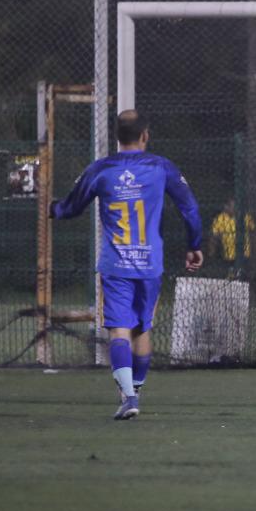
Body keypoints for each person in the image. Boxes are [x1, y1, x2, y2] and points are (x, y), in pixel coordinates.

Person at [50, 110, 204, 420]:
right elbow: (189, 208)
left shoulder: (101, 170)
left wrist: (48, 208)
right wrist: (194, 245)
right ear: (145, 135)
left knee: (119, 329)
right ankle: (133, 392)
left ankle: (128, 396)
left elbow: (70, 208)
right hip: (149, 264)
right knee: (141, 328)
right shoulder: (161, 168)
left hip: (116, 265)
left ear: (117, 137)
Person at [209, 197, 256, 277]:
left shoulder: (245, 216)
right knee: (231, 276)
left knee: (244, 276)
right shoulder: (220, 219)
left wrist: (254, 249)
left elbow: (253, 232)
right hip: (229, 256)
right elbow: (214, 237)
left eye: (236, 206)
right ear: (226, 206)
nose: (234, 208)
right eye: (232, 206)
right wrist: (212, 252)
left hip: (244, 254)